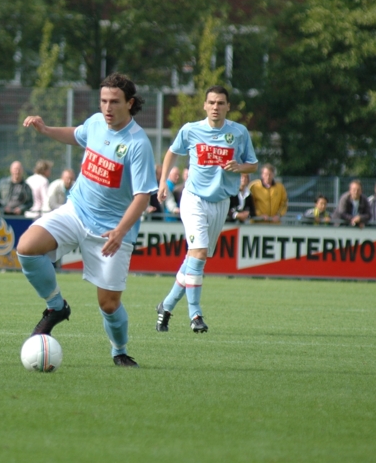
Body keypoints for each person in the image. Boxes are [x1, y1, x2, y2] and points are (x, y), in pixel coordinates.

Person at [17, 72, 157, 368]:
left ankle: (119, 350)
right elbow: (77, 135)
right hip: (76, 210)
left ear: (129, 104)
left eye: (115, 102)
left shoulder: (138, 144)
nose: (108, 108)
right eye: (104, 101)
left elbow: (143, 196)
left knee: (108, 304)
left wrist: (120, 231)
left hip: (110, 231)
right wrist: (46, 129)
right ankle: (56, 307)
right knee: (27, 247)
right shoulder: (96, 123)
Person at [156, 85, 258, 334]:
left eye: (220, 103)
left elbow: (252, 165)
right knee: (199, 253)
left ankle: (166, 305)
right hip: (193, 200)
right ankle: (195, 314)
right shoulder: (191, 130)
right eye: (211, 102)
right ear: (204, 105)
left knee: (195, 258)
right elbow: (171, 153)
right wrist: (162, 184)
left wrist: (239, 167)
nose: (215, 107)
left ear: (228, 106)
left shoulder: (239, 132)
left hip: (221, 202)